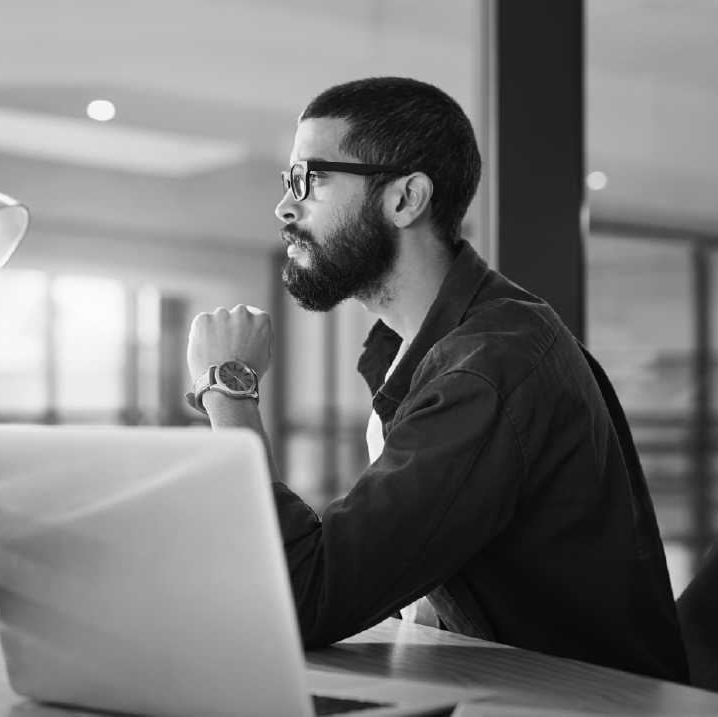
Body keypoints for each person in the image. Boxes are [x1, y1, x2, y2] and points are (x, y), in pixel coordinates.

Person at [184, 77, 689, 684]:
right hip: (490, 678)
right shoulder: (436, 344)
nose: (285, 208)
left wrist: (227, 387)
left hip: (575, 703)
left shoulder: (487, 368)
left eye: (309, 180)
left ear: (406, 199)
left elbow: (301, 598)